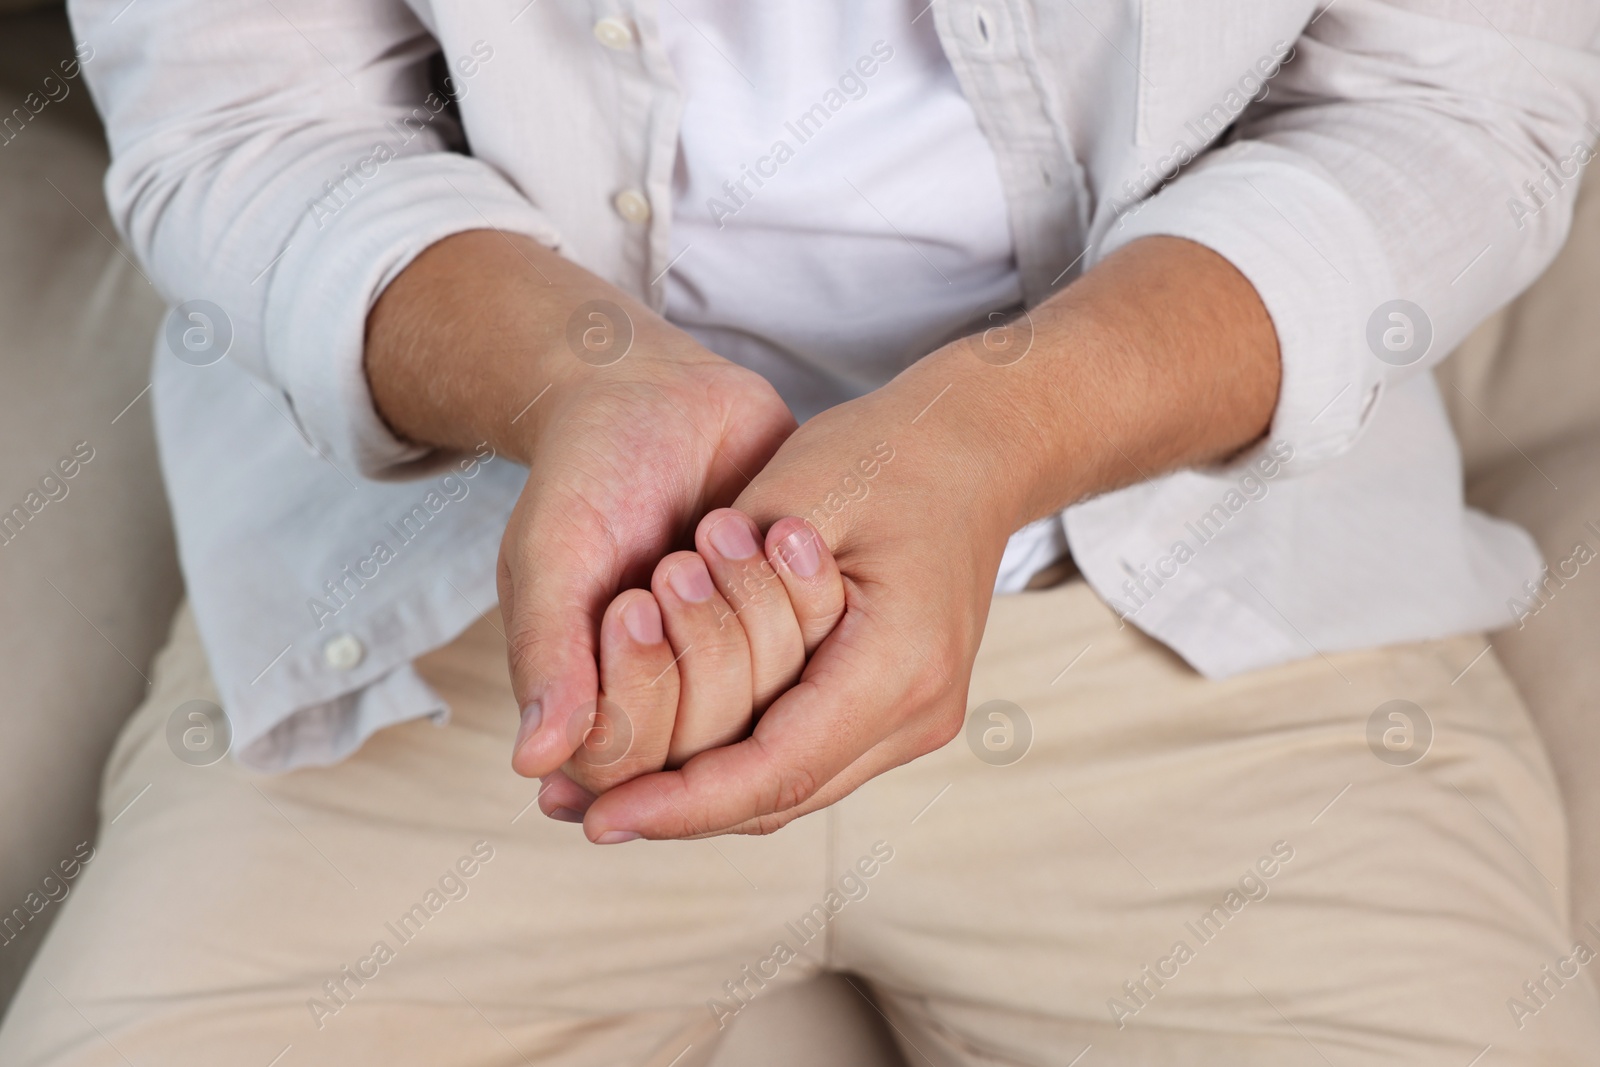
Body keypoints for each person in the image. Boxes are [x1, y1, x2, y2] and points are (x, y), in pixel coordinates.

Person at [3, 0, 1598, 1063]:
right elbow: (242, 120)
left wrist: (997, 434)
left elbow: (1459, 111)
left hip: (1221, 582)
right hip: (465, 606)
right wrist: (581, 389)